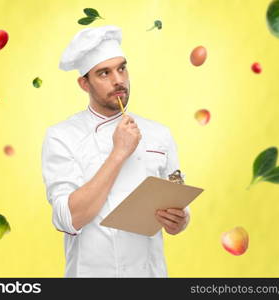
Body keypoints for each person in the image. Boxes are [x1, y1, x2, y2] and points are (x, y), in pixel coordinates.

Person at [41, 25, 190, 277]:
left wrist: (180, 220)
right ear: (84, 84)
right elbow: (68, 219)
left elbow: (177, 200)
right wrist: (119, 152)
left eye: (122, 68)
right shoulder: (61, 136)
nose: (118, 80)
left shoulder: (160, 134)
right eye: (104, 73)